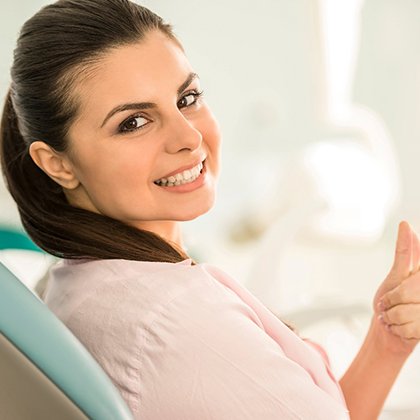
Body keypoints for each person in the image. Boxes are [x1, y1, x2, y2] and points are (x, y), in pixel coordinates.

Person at [1, 0, 420, 418]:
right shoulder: (180, 319)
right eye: (133, 122)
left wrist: (387, 344)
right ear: (57, 163)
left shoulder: (75, 284)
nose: (188, 136)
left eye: (188, 98)